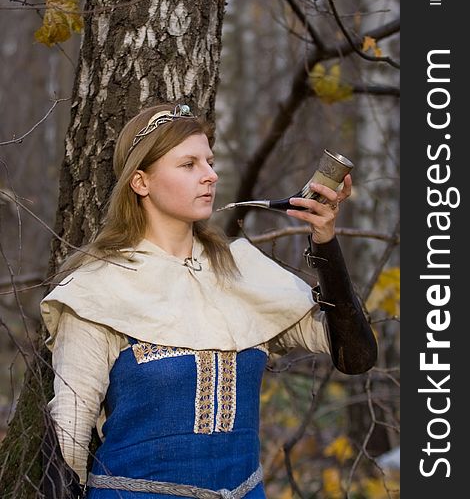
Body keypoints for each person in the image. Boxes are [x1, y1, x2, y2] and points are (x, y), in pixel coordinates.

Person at [40, 103, 377, 499]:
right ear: (140, 182)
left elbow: (355, 356)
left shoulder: (244, 271)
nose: (210, 175)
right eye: (188, 165)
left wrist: (324, 239)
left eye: (210, 161)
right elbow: (69, 434)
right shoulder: (97, 289)